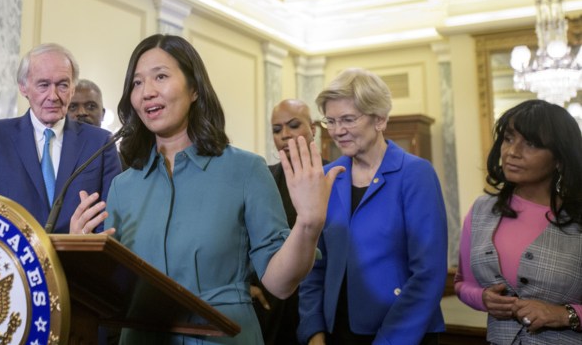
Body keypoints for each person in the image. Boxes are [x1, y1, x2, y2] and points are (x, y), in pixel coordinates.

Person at [71, 34, 342, 344]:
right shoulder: (122, 186)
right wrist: (85, 255)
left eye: (160, 76)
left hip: (223, 336)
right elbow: (112, 290)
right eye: (137, 83)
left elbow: (280, 284)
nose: (147, 92)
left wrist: (308, 225)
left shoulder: (245, 170)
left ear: (195, 88)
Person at [298, 68, 447, 345]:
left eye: (348, 120)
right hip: (336, 333)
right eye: (330, 121)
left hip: (404, 334)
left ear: (380, 119)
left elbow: (428, 273)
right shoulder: (328, 176)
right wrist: (313, 331)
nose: (337, 131)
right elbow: (314, 263)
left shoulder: (415, 174)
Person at [454, 99, 582, 343]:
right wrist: (482, 298)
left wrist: (565, 315)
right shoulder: (481, 210)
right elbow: (462, 283)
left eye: (531, 144)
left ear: (559, 158)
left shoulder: (578, 218)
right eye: (509, 138)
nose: (512, 152)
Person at [0, 44, 121, 233]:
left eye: (62, 85)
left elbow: (110, 218)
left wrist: (81, 246)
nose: (53, 96)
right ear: (23, 87)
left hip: (79, 260)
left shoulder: (101, 143)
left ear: (72, 89)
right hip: (13, 259)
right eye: (43, 85)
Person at [252, 99, 318, 345]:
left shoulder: (332, 177)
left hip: (316, 299)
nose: (286, 135)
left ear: (313, 128)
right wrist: (243, 284)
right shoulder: (264, 178)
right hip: (270, 302)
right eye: (277, 130)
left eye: (293, 125)